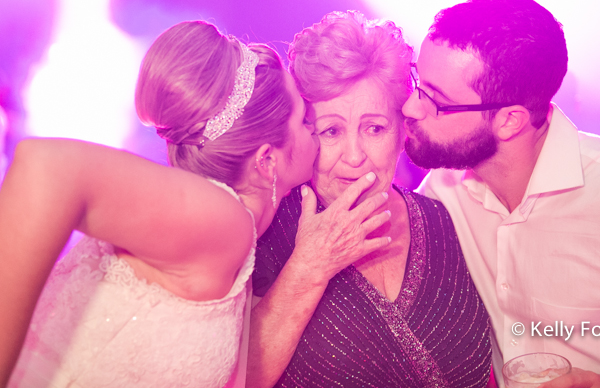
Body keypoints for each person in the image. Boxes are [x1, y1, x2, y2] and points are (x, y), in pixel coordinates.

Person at [0, 20, 387, 388]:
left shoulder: (228, 232)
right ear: (267, 160)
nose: (318, 135)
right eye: (306, 122)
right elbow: (48, 168)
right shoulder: (224, 218)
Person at [401, 0, 600, 388]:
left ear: (510, 121)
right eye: (417, 82)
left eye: (436, 100)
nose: (410, 107)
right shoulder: (444, 191)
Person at [248, 11, 492, 388]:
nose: (354, 156)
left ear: (403, 131)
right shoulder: (265, 234)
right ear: (302, 135)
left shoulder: (447, 221)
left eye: (374, 128)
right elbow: (234, 378)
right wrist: (308, 269)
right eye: (331, 132)